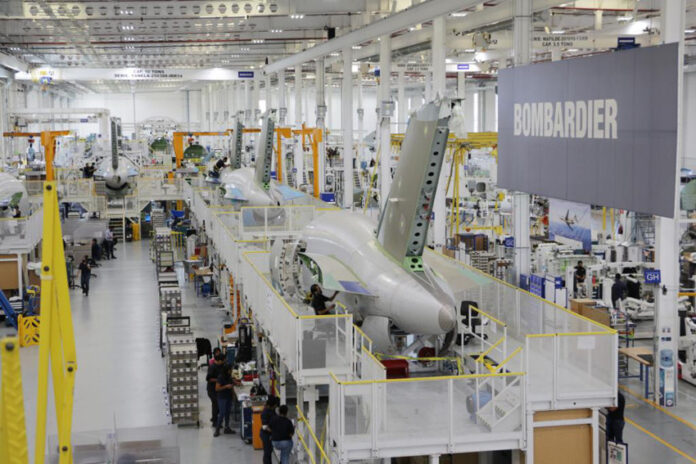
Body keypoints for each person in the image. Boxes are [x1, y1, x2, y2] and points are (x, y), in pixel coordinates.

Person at [214, 363, 238, 437]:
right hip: (222, 398)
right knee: (222, 413)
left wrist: (236, 383)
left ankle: (227, 428)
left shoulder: (228, 376)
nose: (231, 371)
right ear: (227, 370)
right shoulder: (220, 377)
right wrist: (226, 386)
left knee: (227, 413)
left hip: (228, 397)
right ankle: (217, 430)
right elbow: (217, 388)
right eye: (230, 369)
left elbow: (231, 382)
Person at [206, 354, 225, 426]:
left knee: (216, 405)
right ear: (219, 361)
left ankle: (215, 419)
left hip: (217, 390)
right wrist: (219, 380)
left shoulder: (220, 366)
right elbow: (209, 379)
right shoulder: (212, 367)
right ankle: (215, 422)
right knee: (216, 405)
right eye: (223, 361)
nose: (224, 362)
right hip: (212, 390)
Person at [260, 396, 279, 464]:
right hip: (265, 434)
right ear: (272, 405)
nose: (276, 406)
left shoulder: (271, 410)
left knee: (269, 451)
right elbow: (265, 426)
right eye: (275, 405)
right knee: (267, 452)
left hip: (269, 434)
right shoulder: (265, 413)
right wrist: (275, 432)